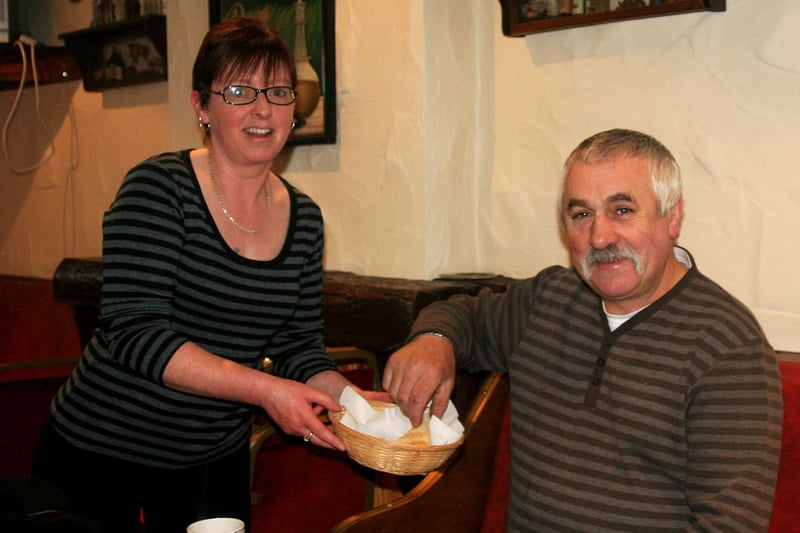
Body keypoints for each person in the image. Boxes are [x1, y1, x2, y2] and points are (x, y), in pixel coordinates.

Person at [32, 17, 383, 532]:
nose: (263, 108)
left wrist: (353, 404)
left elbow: (296, 345)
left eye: (279, 91)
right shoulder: (158, 188)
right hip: (101, 447)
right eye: (239, 91)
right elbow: (137, 334)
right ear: (202, 106)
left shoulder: (305, 219)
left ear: (293, 110)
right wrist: (266, 391)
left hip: (209, 458)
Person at [383, 128, 783, 531]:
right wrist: (433, 342)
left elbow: (730, 526)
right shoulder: (549, 300)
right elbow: (464, 316)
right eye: (581, 214)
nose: (600, 236)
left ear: (672, 216)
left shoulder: (728, 346)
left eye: (622, 209)